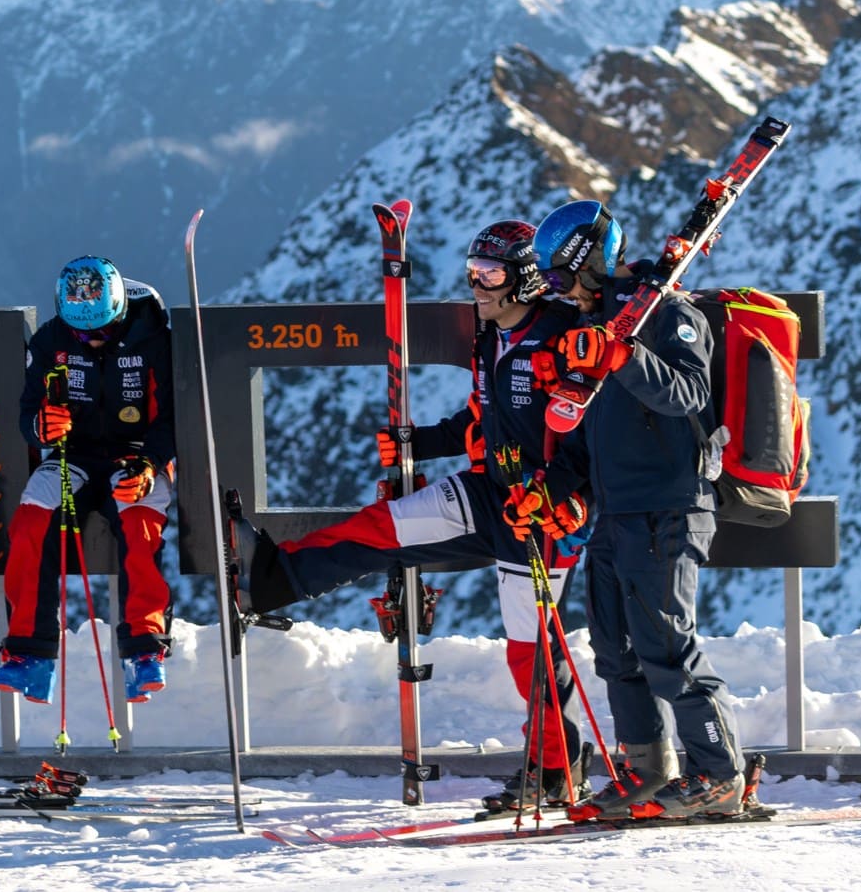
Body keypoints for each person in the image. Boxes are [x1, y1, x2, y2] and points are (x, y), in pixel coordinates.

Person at [237, 220, 597, 807]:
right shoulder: (491, 338)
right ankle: (266, 581)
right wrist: (422, 441)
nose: (476, 285)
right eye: (472, 272)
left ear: (526, 278)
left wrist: (557, 492)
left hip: (540, 516)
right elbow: (481, 415)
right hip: (488, 489)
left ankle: (555, 767)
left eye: (490, 274)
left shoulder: (563, 337)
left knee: (527, 650)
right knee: (381, 528)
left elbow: (589, 436)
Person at [532, 199, 747, 820]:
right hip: (616, 512)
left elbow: (688, 393)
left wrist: (622, 356)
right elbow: (582, 433)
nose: (555, 291)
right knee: (613, 647)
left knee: (666, 645)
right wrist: (562, 494)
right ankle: (646, 770)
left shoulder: (668, 315)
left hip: (669, 507)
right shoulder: (593, 329)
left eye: (559, 276)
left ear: (590, 263)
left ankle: (719, 774)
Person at [0, 256, 175, 706]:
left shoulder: (155, 341)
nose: (91, 340)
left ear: (119, 312)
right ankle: (29, 655)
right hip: (71, 456)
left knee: (140, 521)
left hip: (135, 457)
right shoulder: (51, 340)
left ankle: (144, 650)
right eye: (81, 333)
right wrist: (43, 427)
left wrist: (150, 463)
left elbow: (173, 417)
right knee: (32, 517)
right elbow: (27, 412)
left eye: (102, 330)